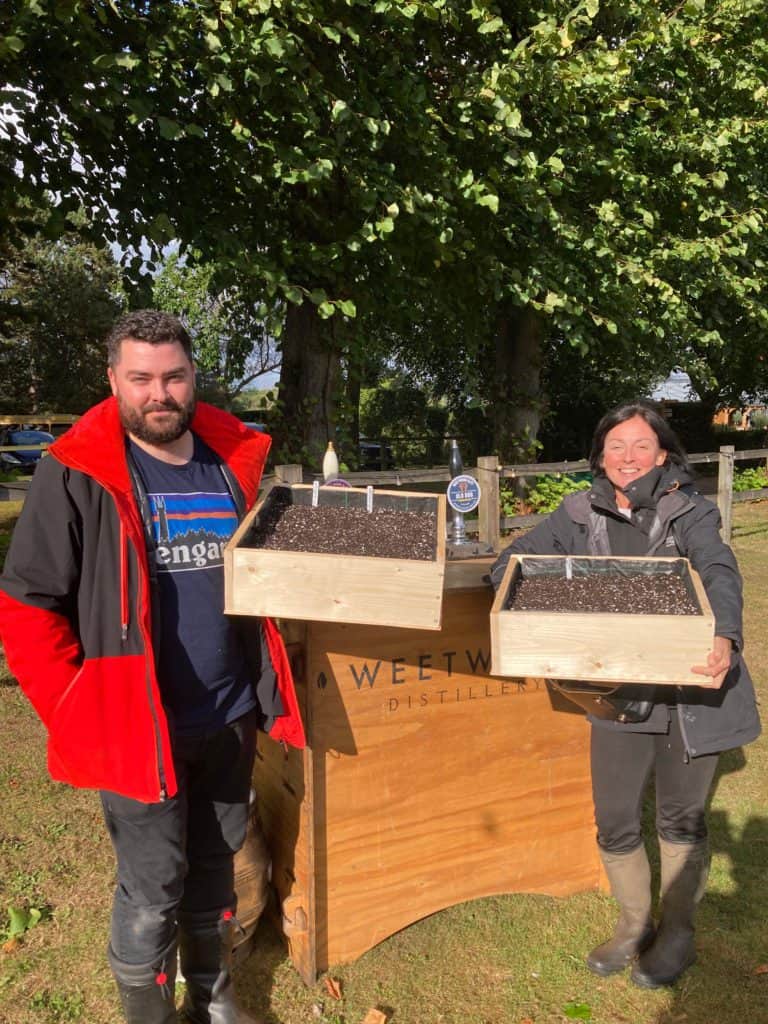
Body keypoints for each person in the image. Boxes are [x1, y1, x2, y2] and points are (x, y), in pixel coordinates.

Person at [0, 310, 305, 1024]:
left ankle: (213, 989)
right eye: (140, 378)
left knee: (217, 856)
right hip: (139, 727)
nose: (158, 393)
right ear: (114, 381)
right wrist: (78, 708)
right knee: (153, 879)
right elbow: (26, 605)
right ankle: (147, 1009)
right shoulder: (78, 472)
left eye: (173, 376)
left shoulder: (229, 461)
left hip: (228, 713)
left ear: (192, 376)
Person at [491, 400, 760, 989]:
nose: (628, 457)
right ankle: (635, 924)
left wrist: (725, 632)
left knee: (680, 820)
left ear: (663, 454)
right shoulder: (579, 510)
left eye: (641, 446)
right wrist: (520, 594)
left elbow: (718, 568)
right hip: (619, 691)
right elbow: (515, 561)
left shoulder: (689, 511)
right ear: (601, 456)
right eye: (616, 446)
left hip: (692, 691)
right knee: (614, 819)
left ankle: (679, 932)